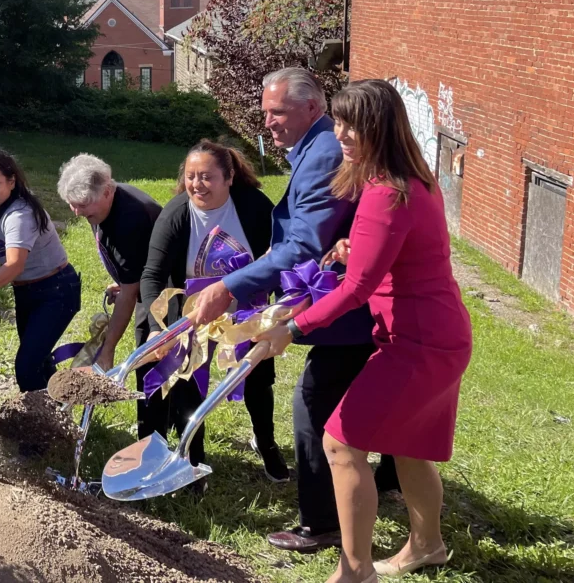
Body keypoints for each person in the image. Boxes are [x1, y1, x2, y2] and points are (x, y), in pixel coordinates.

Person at [254, 80, 472, 583]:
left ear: (379, 126)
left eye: (352, 123)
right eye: (338, 120)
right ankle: (428, 546)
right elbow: (403, 253)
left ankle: (354, 571)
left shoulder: (383, 194)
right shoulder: (414, 179)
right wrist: (359, 247)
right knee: (410, 447)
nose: (341, 133)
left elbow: (355, 291)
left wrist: (292, 327)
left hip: (417, 343)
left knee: (340, 443)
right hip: (440, 333)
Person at [189, 67, 398, 551]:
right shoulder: (315, 148)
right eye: (266, 112)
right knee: (340, 407)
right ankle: (384, 482)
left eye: (278, 112)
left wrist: (229, 286)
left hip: (348, 312)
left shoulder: (325, 153)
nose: (269, 122)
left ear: (312, 108)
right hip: (341, 303)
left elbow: (306, 244)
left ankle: (323, 522)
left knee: (313, 409)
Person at [138, 140, 289, 482]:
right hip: (195, 312)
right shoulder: (177, 213)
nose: (196, 185)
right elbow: (152, 274)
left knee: (258, 377)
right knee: (188, 381)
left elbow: (280, 256)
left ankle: (266, 443)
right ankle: (194, 459)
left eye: (206, 177)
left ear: (229, 177)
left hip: (247, 306)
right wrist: (158, 325)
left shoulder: (253, 207)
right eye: (191, 176)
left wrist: (282, 308)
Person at [0, 146, 81, 392]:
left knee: (26, 366)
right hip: (27, 292)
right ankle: (58, 414)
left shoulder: (20, 215)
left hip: (56, 291)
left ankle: (39, 423)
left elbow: (14, 264)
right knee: (37, 360)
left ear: (11, 182)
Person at [55, 154, 159, 376]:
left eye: (82, 205)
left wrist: (107, 351)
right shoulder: (102, 207)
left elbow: (131, 292)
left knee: (151, 363)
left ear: (107, 192)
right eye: (72, 205)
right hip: (146, 286)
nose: (77, 212)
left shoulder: (130, 219)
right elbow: (134, 268)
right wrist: (122, 281)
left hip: (168, 296)